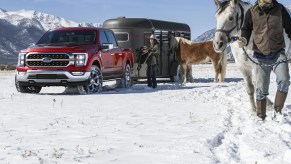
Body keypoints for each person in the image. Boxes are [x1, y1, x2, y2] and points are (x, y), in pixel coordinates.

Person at [237, 0, 291, 120]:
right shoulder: (251, 12)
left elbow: (289, 27)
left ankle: (278, 112)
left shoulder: (280, 9)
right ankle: (260, 117)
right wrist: (244, 39)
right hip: (261, 55)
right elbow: (246, 29)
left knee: (284, 80)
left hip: (278, 53)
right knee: (261, 88)